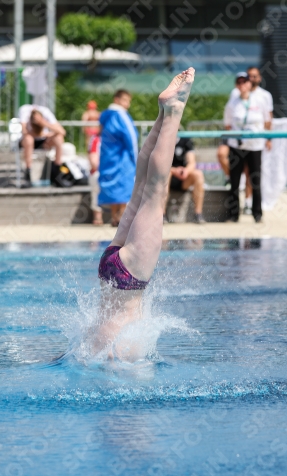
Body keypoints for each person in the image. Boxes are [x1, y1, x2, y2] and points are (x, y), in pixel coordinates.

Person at [90, 68, 195, 360]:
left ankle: (172, 112)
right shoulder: (94, 346)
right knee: (142, 186)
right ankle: (163, 113)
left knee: (154, 189)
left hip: (128, 277)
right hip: (109, 269)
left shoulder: (117, 354)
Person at [218, 67, 273, 213]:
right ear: (237, 85)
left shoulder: (261, 99)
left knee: (255, 179)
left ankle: (257, 212)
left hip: (255, 145)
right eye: (239, 82)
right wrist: (236, 138)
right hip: (237, 145)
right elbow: (228, 124)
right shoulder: (233, 102)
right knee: (234, 180)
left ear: (250, 83)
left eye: (245, 81)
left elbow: (267, 120)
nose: (242, 84)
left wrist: (268, 138)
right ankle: (234, 214)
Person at [98, 89, 138, 227]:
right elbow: (131, 139)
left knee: (112, 188)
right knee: (124, 187)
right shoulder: (121, 115)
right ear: (117, 100)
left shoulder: (105, 116)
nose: (127, 105)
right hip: (122, 159)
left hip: (107, 158)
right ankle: (121, 218)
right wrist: (137, 160)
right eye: (125, 100)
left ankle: (114, 217)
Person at [19, 104, 66, 185]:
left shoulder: (46, 115)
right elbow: (24, 132)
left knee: (59, 138)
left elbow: (62, 132)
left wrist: (43, 123)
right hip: (29, 142)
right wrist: (39, 133)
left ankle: (57, 171)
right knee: (28, 140)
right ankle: (28, 172)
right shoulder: (25, 114)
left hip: (43, 142)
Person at [165, 136, 206, 224]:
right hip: (168, 175)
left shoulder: (185, 140)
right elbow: (159, 165)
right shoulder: (161, 140)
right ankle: (161, 215)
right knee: (166, 174)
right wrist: (174, 170)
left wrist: (186, 171)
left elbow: (192, 162)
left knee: (198, 175)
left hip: (183, 178)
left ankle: (198, 214)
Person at [88, 133, 103, 226]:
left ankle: (119, 216)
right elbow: (94, 162)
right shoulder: (96, 139)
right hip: (99, 171)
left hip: (116, 173)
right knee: (97, 178)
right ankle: (98, 215)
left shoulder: (119, 138)